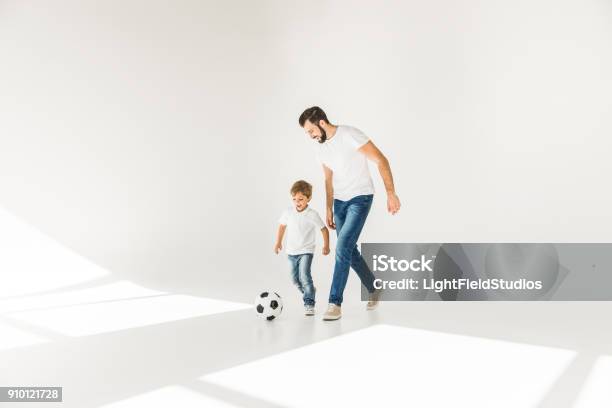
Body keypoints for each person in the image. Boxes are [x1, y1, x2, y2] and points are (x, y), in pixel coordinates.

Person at [298, 106, 401, 321]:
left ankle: (335, 302)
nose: (311, 136)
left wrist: (391, 194)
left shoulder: (349, 135)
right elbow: (328, 178)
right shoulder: (320, 148)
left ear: (322, 123)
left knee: (342, 247)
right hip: (339, 202)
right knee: (349, 250)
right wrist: (328, 207)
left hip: (360, 198)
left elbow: (381, 160)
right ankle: (374, 287)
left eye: (311, 131)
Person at [274, 180, 330, 315]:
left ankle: (309, 303)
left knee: (304, 276)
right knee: (294, 279)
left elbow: (324, 229)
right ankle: (310, 291)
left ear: (308, 198)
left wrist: (326, 245)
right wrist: (278, 242)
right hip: (291, 251)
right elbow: (282, 226)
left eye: (301, 199)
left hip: (306, 250)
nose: (297, 202)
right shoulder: (288, 212)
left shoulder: (312, 214)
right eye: (294, 199)